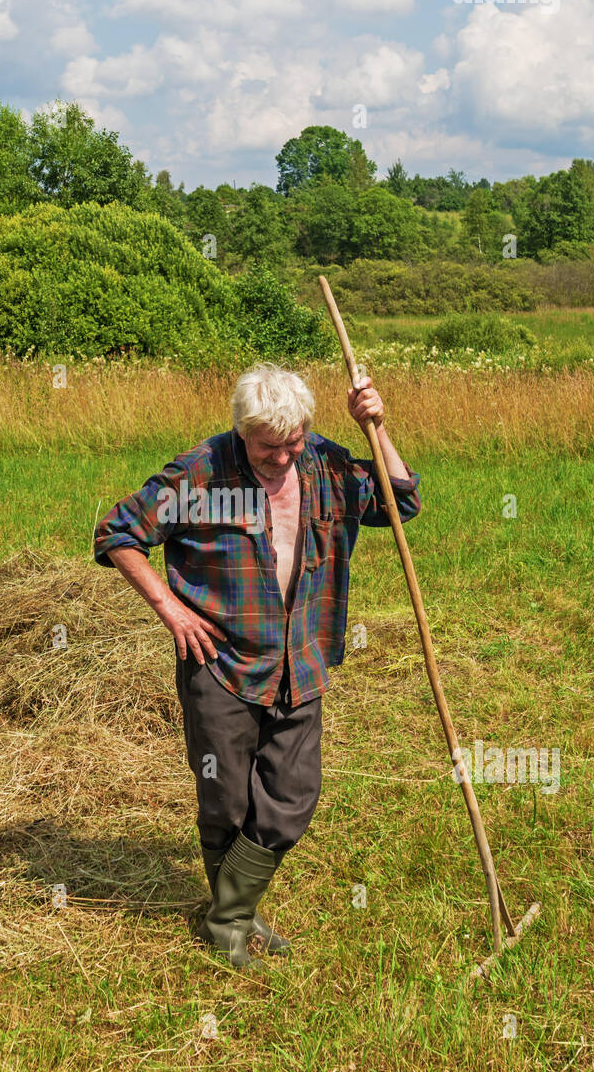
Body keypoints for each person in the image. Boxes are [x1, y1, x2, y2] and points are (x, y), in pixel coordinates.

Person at [93, 363, 421, 969]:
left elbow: (400, 502)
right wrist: (169, 609)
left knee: (293, 794)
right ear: (241, 431)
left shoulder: (324, 462)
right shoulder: (202, 471)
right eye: (268, 446)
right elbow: (116, 533)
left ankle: (228, 912)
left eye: (292, 442)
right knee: (225, 799)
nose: (282, 456)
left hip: (303, 656)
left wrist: (376, 427)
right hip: (219, 661)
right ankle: (235, 920)